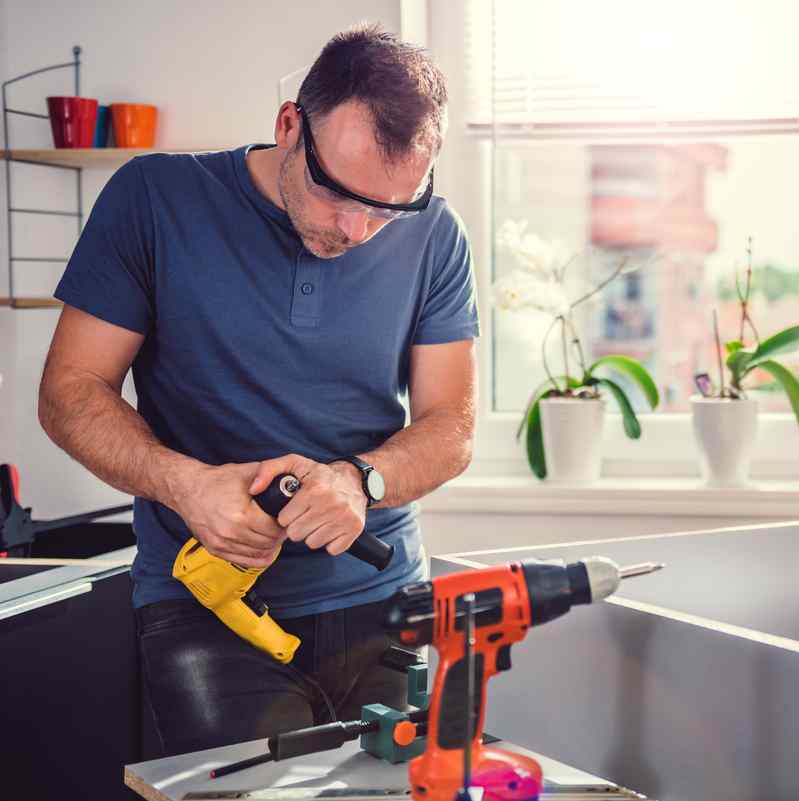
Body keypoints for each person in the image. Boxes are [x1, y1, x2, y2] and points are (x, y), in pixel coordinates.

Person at [36, 25, 477, 757]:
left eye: (389, 208)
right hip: (204, 607)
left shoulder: (435, 235)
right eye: (340, 193)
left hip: (384, 597)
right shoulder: (153, 199)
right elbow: (69, 390)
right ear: (289, 126)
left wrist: (361, 480)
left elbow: (451, 424)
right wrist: (186, 485)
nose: (359, 229)